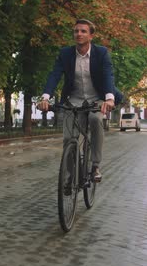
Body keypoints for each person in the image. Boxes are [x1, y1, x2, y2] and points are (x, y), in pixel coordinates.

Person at [37, 19, 122, 183]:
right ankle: (69, 177)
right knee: (69, 139)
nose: (79, 34)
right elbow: (55, 75)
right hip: (73, 100)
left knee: (95, 120)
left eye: (83, 31)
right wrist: (45, 97)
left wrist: (109, 99)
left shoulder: (101, 53)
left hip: (96, 99)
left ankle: (95, 165)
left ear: (91, 36)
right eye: (76, 31)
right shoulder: (65, 54)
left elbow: (107, 75)